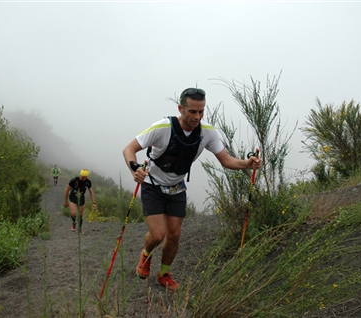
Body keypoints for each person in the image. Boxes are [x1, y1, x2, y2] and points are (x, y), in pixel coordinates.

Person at [122, 87, 261, 293]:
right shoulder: (162, 127)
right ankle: (146, 256)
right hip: (152, 183)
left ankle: (164, 274)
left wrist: (248, 164)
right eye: (192, 112)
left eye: (201, 111)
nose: (197, 117)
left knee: (175, 234)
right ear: (181, 108)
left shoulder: (207, 133)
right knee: (158, 234)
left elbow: (226, 160)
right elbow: (129, 149)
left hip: (177, 187)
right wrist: (134, 168)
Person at [63, 169, 97, 234]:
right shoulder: (74, 181)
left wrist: (93, 203)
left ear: (87, 177)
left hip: (81, 199)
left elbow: (91, 192)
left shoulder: (88, 182)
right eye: (82, 177)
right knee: (74, 213)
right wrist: (66, 201)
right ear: (80, 175)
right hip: (73, 198)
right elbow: (66, 190)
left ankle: (79, 228)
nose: (83, 178)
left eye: (85, 177)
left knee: (81, 215)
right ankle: (74, 222)